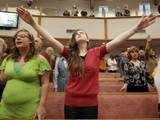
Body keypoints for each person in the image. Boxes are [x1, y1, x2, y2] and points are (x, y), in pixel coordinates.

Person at [17, 6, 156, 119]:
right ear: (73, 40)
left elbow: (118, 40)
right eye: (76, 33)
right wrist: (33, 23)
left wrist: (135, 29)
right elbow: (51, 39)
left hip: (90, 103)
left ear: (88, 39)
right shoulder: (69, 53)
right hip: (71, 102)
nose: (79, 34)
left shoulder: (97, 52)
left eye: (82, 32)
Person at [0, 29, 51, 120]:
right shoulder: (8, 59)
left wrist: (41, 106)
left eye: (22, 36)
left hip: (29, 109)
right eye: (16, 37)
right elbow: (2, 79)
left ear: (30, 41)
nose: (18, 38)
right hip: (5, 109)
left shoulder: (40, 60)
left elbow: (45, 84)